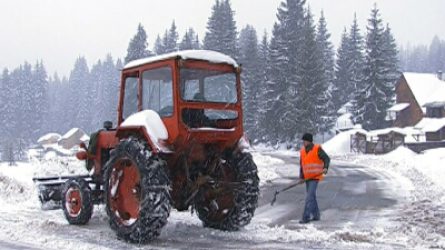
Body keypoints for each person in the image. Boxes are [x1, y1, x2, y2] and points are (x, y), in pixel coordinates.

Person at [299, 132, 330, 224]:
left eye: (305, 141)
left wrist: (325, 168)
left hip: (315, 177)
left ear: (309, 141)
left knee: (309, 197)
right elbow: (302, 165)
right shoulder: (302, 151)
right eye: (303, 141)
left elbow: (326, 159)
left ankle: (306, 217)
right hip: (307, 178)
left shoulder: (317, 149)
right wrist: (301, 177)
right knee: (312, 196)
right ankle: (316, 215)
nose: (303, 142)